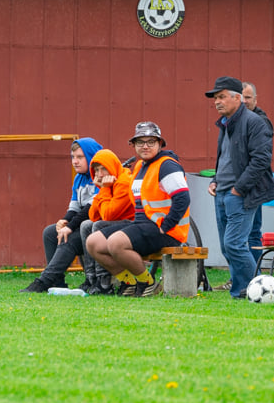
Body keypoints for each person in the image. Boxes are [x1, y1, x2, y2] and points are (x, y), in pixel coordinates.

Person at [86, 122, 191, 297]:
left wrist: (167, 225)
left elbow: (183, 198)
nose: (145, 146)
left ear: (160, 144)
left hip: (166, 230)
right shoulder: (140, 167)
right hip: (142, 224)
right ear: (133, 145)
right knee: (93, 243)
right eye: (140, 142)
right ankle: (130, 283)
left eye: (151, 141)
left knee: (115, 243)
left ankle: (148, 283)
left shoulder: (167, 165)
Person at [206, 76, 274, 299]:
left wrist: (239, 189)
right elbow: (226, 158)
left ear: (238, 98)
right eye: (215, 98)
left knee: (235, 244)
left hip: (240, 194)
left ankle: (263, 289)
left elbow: (261, 160)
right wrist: (215, 180)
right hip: (222, 191)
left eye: (222, 97)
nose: (217, 102)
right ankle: (240, 291)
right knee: (227, 247)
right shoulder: (225, 123)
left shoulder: (255, 122)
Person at [20, 137, 102, 293]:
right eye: (73, 157)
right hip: (82, 224)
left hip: (95, 229)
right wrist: (64, 221)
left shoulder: (100, 177)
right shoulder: (79, 178)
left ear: (91, 157)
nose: (75, 161)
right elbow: (75, 207)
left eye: (80, 157)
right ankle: (57, 282)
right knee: (50, 232)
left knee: (68, 237)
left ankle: (45, 280)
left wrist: (69, 227)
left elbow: (91, 210)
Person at [78, 148, 136, 295]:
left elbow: (108, 216)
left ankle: (104, 281)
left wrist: (103, 189)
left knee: (99, 226)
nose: (100, 174)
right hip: (116, 224)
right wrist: (101, 189)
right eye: (96, 170)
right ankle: (92, 279)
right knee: (86, 225)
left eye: (104, 169)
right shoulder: (108, 184)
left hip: (132, 225)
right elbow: (93, 215)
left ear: (112, 166)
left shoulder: (123, 182)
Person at [243, 81, 274, 269]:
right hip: (237, 185)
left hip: (254, 185)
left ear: (255, 99)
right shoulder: (233, 121)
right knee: (239, 235)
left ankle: (254, 275)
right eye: (241, 97)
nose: (245, 101)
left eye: (248, 97)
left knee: (252, 233)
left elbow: (260, 159)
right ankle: (240, 276)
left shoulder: (261, 122)